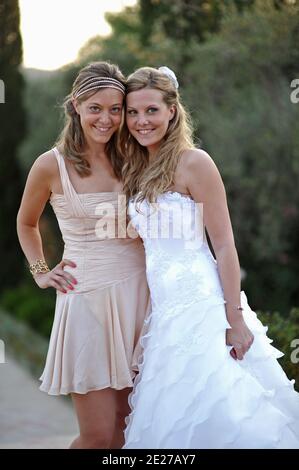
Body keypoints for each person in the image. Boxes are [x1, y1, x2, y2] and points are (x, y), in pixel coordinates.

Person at [120, 66, 299, 449]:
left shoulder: (194, 162)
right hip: (164, 312)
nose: (141, 121)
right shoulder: (135, 168)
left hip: (204, 303)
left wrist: (233, 318)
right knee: (173, 413)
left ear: (172, 109)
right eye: (133, 112)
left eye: (151, 110)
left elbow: (225, 246)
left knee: (224, 405)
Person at [16, 61, 150, 449]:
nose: (106, 119)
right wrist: (41, 271)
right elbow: (26, 223)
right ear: (75, 105)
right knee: (98, 437)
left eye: (115, 109)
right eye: (96, 107)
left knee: (129, 429)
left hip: (142, 299)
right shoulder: (50, 164)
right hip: (87, 300)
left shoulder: (137, 158)